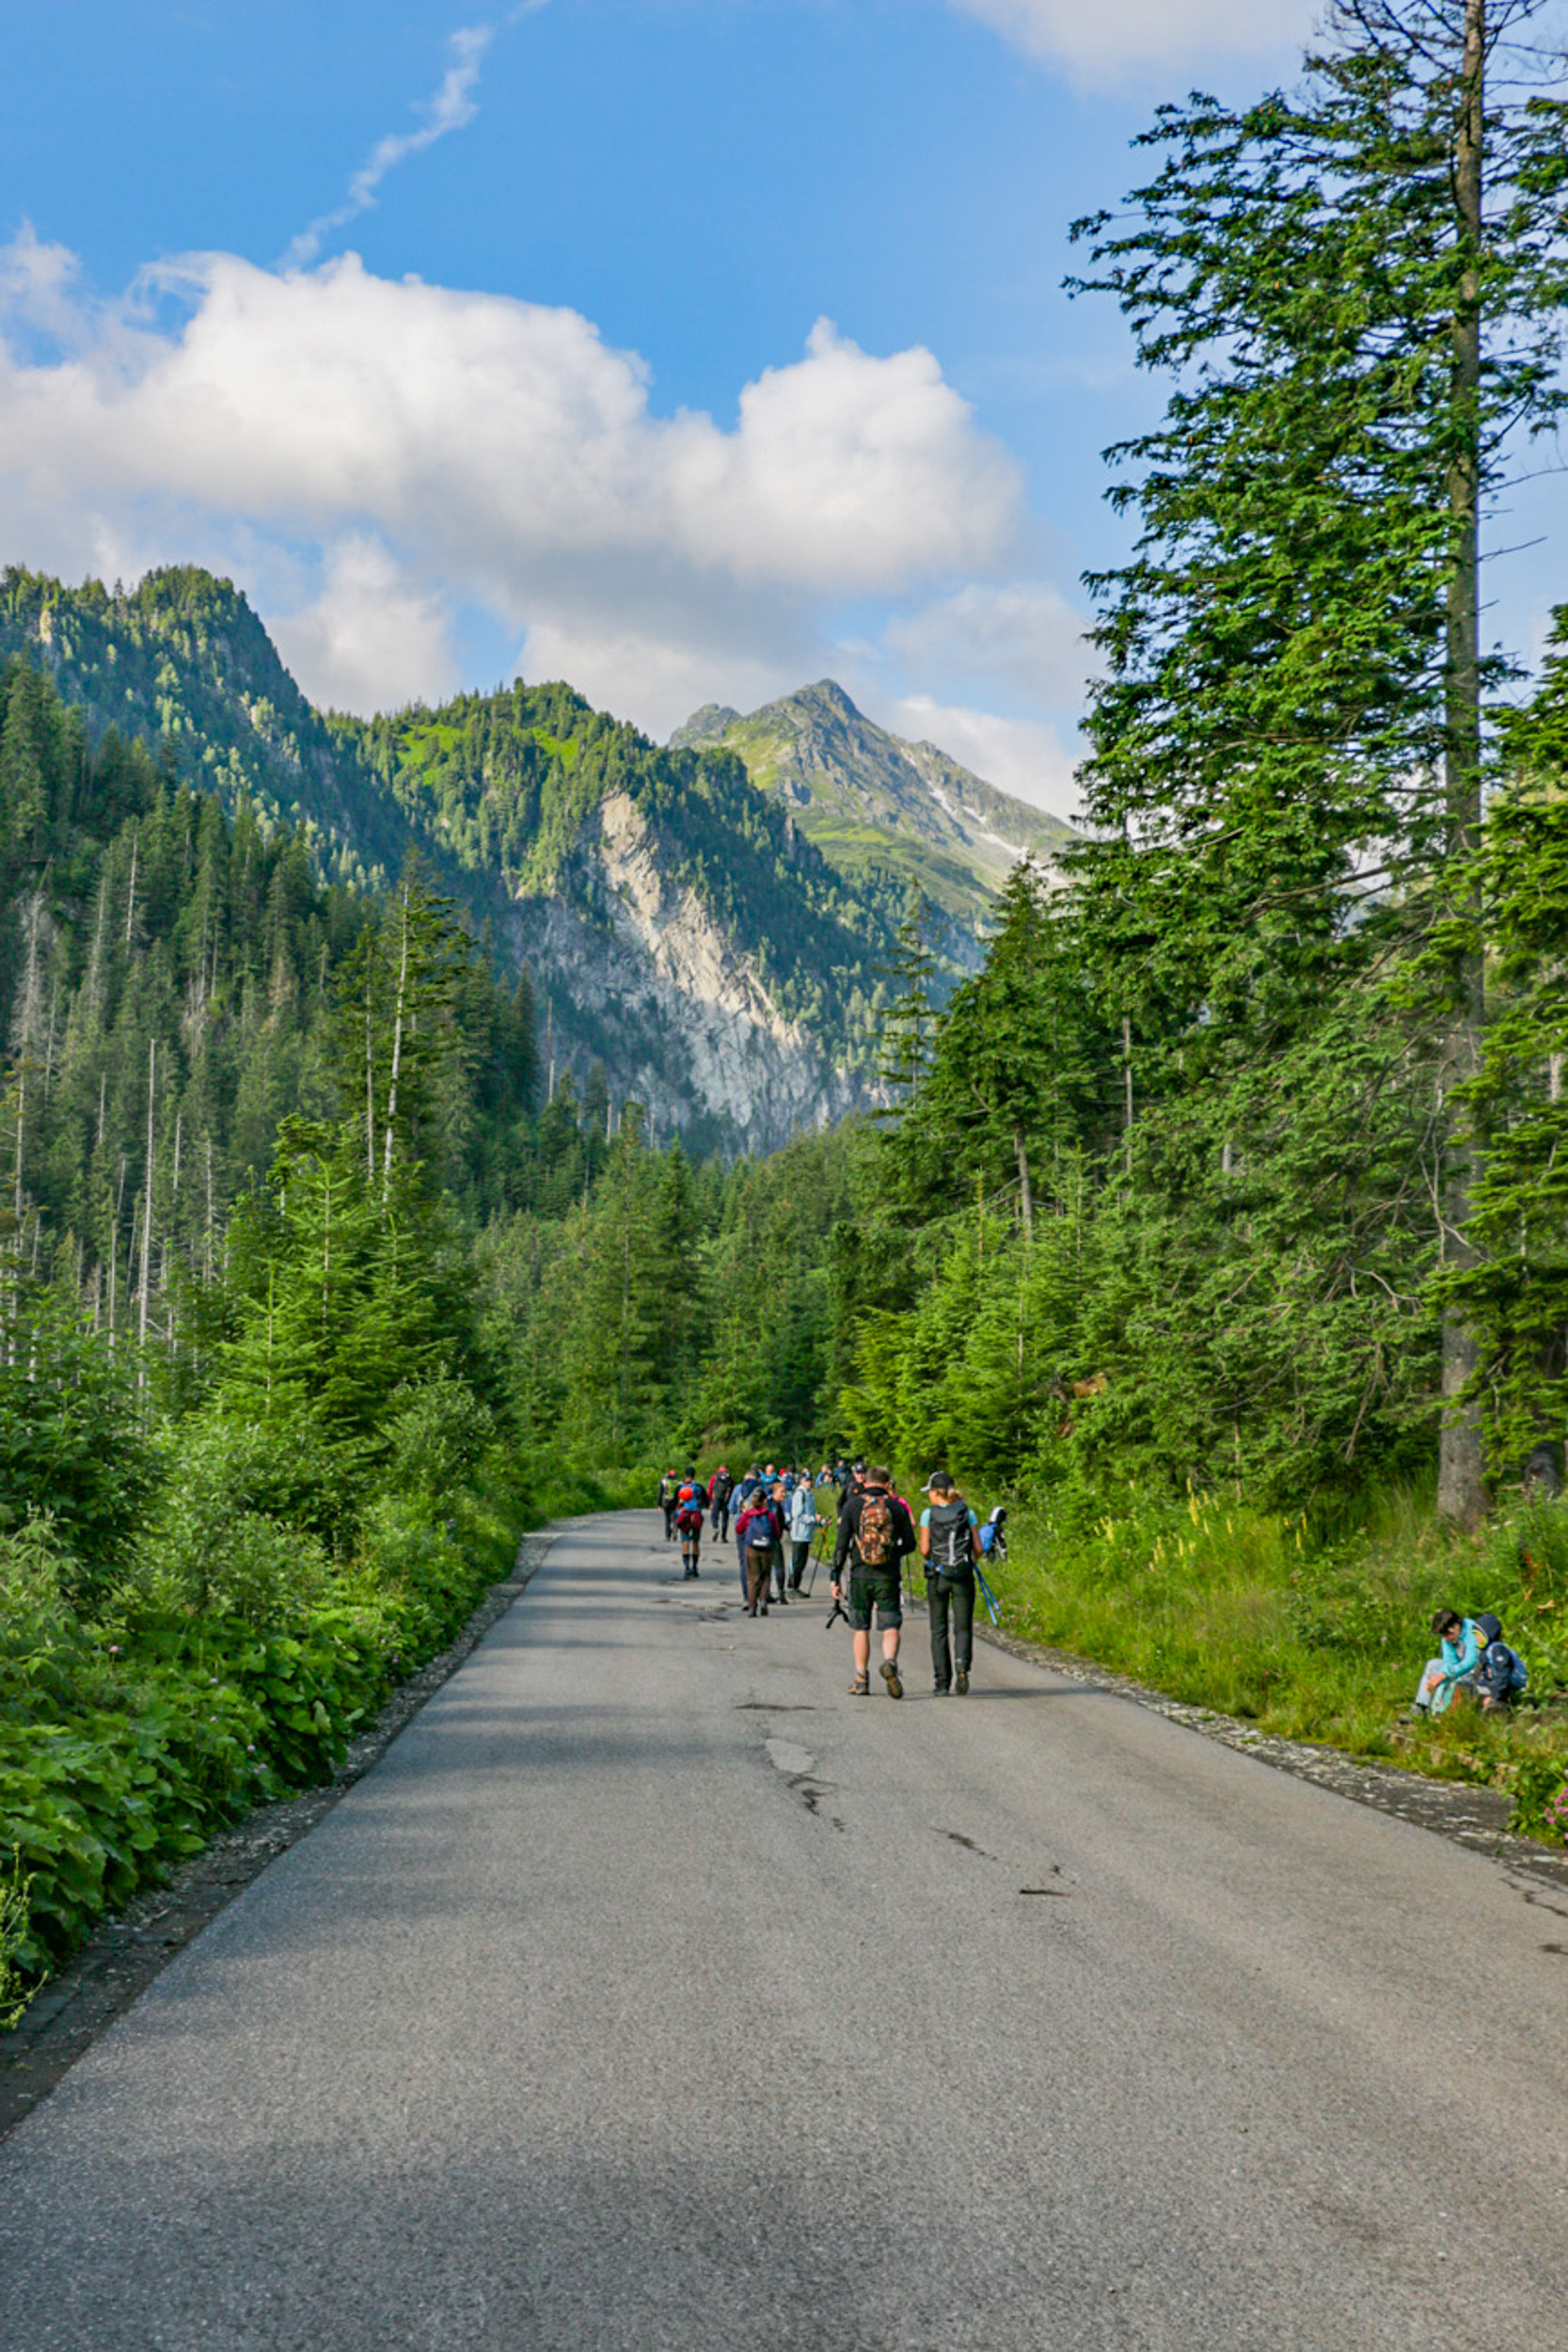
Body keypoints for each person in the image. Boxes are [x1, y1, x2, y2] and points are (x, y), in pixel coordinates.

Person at [832, 1464, 915, 1698]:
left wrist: (834, 1577)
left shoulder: (853, 1506)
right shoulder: (897, 1508)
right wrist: (892, 1553)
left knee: (861, 1628)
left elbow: (841, 1545)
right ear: (887, 1484)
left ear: (865, 1483)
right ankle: (889, 1662)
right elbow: (910, 1544)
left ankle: (861, 1679)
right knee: (890, 1625)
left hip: (859, 1574)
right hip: (888, 1575)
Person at [919, 1469, 979, 1696]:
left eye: (930, 1492)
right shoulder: (968, 1512)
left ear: (936, 1492)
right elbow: (978, 1548)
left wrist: (932, 1559)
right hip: (963, 1576)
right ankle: (962, 1665)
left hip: (938, 1576)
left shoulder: (928, 1515)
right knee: (963, 1627)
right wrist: (968, 1562)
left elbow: (924, 1549)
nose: (929, 1496)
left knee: (938, 1629)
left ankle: (942, 1683)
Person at [1412, 1609, 1482, 1717]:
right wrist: (1440, 1676)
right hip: (1458, 1669)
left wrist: (1444, 1675)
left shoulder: (1471, 1629)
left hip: (1475, 1672)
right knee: (1433, 1665)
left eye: (1448, 1634)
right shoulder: (1446, 1638)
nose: (1445, 1639)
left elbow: (1471, 1661)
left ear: (1456, 1626)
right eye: (1443, 1636)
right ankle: (1421, 1706)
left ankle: (1442, 1711)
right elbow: (1449, 1660)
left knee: (1454, 1679)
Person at [737, 1487, 784, 1616]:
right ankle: (763, 1601)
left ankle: (752, 1607)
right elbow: (777, 1532)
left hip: (752, 1548)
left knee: (752, 1579)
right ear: (764, 1501)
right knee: (766, 1576)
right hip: (767, 1548)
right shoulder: (770, 1515)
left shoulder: (748, 1514)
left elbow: (739, 1529)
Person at [787, 1473, 820, 1591]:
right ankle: (792, 1587)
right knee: (797, 1562)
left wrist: (821, 1522)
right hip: (799, 1534)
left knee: (802, 1562)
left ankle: (795, 1586)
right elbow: (797, 1515)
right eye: (806, 1480)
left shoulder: (809, 1494)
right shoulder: (799, 1494)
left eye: (810, 1480)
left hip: (806, 1534)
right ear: (801, 1481)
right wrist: (813, 1519)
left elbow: (812, 1514)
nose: (809, 1483)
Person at [674, 1478, 705, 1578]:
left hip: (684, 1517)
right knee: (696, 1542)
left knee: (685, 1542)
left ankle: (687, 1568)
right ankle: (695, 1567)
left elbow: (675, 1502)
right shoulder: (699, 1487)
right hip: (695, 1517)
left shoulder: (680, 1487)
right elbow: (706, 1501)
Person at [708, 1464, 734, 1542]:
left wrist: (710, 1501)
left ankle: (715, 1528)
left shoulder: (715, 1477)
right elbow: (733, 1490)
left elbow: (710, 1489)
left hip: (716, 1499)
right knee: (725, 1519)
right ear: (727, 1469)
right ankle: (723, 1537)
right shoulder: (730, 1478)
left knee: (714, 1516)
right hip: (726, 1501)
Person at [657, 1469, 678, 1543]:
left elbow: (660, 1494)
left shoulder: (663, 1482)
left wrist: (659, 1505)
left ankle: (668, 1536)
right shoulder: (678, 1483)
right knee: (673, 1516)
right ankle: (675, 1525)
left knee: (667, 1519)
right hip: (675, 1502)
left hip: (666, 1501)